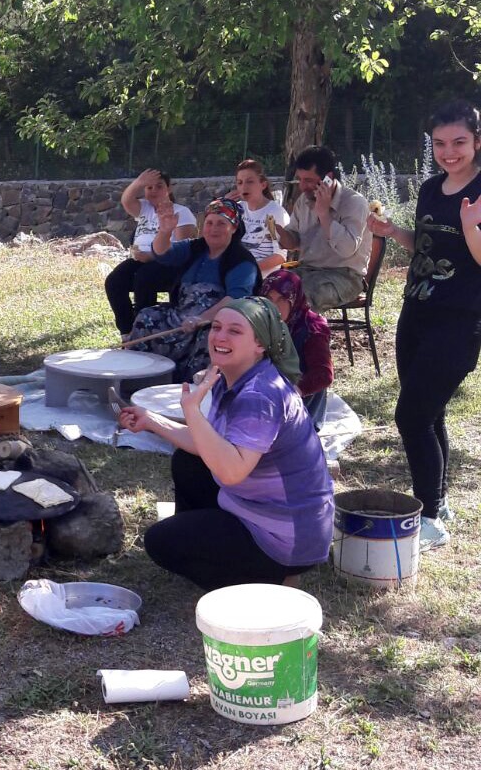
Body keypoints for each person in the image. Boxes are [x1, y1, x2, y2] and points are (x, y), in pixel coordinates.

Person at [120, 299, 334, 590]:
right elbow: (209, 443)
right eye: (216, 327)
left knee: (161, 541)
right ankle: (210, 542)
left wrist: (192, 412)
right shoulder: (235, 376)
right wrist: (152, 421)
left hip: (287, 538)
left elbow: (232, 472)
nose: (220, 336)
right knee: (188, 462)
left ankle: (266, 581)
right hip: (268, 515)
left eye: (235, 331)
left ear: (260, 344)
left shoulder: (259, 396)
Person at [367, 99, 481, 550]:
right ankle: (440, 499)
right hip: (415, 311)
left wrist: (472, 227)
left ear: (477, 142)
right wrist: (395, 233)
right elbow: (427, 244)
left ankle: (429, 516)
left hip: (460, 320)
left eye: (459, 142)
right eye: (439, 143)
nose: (449, 152)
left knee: (409, 417)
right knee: (429, 412)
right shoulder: (432, 187)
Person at [128, 197, 261, 382]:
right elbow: (162, 252)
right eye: (210, 223)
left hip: (213, 322)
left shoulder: (241, 261)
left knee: (210, 338)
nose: (214, 229)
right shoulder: (194, 248)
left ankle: (187, 388)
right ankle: (138, 378)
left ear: (234, 228)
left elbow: (236, 299)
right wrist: (165, 231)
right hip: (180, 316)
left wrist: (202, 319)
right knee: (147, 317)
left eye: (221, 223)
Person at [105, 169, 199, 337]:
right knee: (114, 281)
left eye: (159, 186)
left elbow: (181, 248)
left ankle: (145, 331)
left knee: (144, 278)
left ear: (169, 189)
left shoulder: (181, 212)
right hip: (139, 260)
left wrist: (152, 256)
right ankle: (127, 332)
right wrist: (139, 182)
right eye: (149, 188)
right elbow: (126, 200)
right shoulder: (145, 208)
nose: (154, 191)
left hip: (168, 261)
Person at [277, 146, 371, 312]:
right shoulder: (303, 202)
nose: (302, 186)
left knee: (303, 295)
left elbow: (347, 249)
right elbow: (295, 241)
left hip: (344, 276)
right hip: (307, 271)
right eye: (300, 179)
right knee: (271, 288)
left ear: (327, 178)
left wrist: (324, 214)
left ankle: (306, 336)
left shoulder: (355, 203)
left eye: (308, 180)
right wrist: (281, 235)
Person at [259, 270, 332, 429]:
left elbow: (323, 375)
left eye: (282, 299)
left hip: (300, 400)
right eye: (269, 299)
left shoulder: (312, 327)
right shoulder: (260, 321)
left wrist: (291, 394)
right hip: (264, 393)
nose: (274, 306)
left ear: (295, 299)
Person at [233, 159, 289, 277]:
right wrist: (224, 203)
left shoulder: (273, 214)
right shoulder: (238, 209)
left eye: (250, 182)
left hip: (261, 279)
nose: (244, 187)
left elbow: (279, 256)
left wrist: (249, 269)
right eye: (240, 182)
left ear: (263, 184)